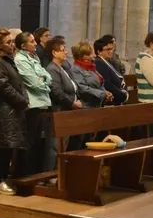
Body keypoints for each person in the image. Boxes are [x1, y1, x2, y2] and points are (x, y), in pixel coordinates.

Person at [0, 28, 29, 195]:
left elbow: (19, 83)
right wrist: (21, 100)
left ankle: (4, 177)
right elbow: (3, 86)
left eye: (12, 41)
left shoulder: (7, 60)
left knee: (11, 145)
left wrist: (24, 98)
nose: (13, 44)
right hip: (6, 109)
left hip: (14, 108)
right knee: (5, 146)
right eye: (9, 42)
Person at [13, 31, 52, 178]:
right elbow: (33, 82)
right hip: (32, 104)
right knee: (29, 141)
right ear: (23, 45)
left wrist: (44, 82)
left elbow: (47, 76)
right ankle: (24, 175)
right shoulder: (20, 59)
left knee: (38, 141)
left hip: (42, 102)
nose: (35, 44)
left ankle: (35, 173)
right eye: (32, 41)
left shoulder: (33, 57)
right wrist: (45, 84)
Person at [45, 38, 83, 170]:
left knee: (64, 144)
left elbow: (73, 87)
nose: (66, 52)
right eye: (62, 50)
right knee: (55, 146)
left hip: (67, 111)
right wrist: (72, 103)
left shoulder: (63, 68)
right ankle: (50, 174)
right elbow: (56, 92)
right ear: (54, 53)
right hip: (59, 111)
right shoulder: (52, 69)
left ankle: (60, 172)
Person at [70, 41, 113, 109]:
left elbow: (99, 83)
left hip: (97, 105)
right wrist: (102, 94)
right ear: (84, 56)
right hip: (86, 107)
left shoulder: (91, 67)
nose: (94, 55)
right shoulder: (75, 69)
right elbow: (82, 88)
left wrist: (106, 93)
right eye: (91, 53)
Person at [94, 37, 128, 105]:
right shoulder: (99, 62)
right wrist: (122, 95)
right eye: (108, 49)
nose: (111, 51)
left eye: (111, 49)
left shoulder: (109, 62)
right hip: (111, 100)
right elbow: (107, 83)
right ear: (99, 51)